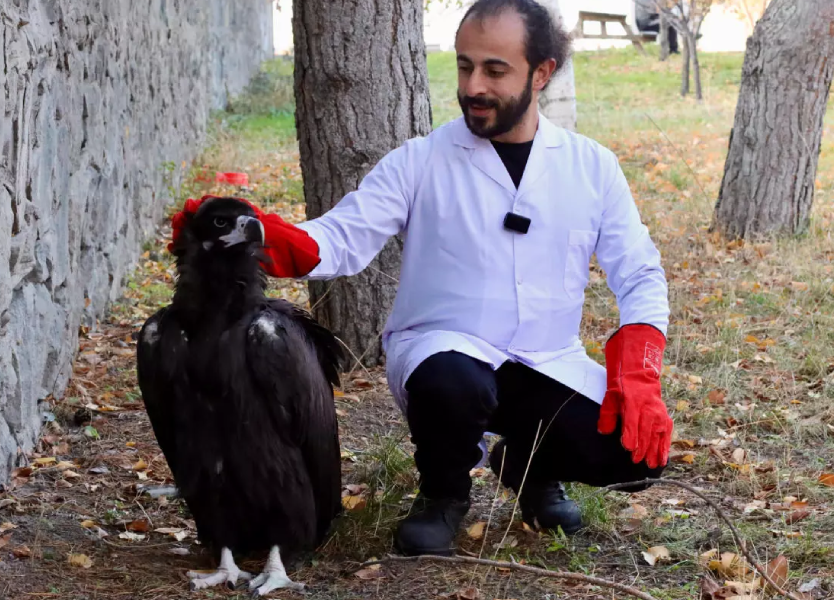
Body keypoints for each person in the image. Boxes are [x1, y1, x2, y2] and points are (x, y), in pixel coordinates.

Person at [227, 0, 672, 557]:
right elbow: (341, 238)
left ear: (542, 73)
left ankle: (529, 466)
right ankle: (442, 495)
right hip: (444, 352)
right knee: (455, 383)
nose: (473, 86)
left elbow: (640, 272)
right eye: (465, 66)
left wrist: (640, 370)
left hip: (544, 360)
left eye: (494, 69)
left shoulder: (591, 167)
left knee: (638, 453)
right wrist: (257, 235)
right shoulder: (421, 160)